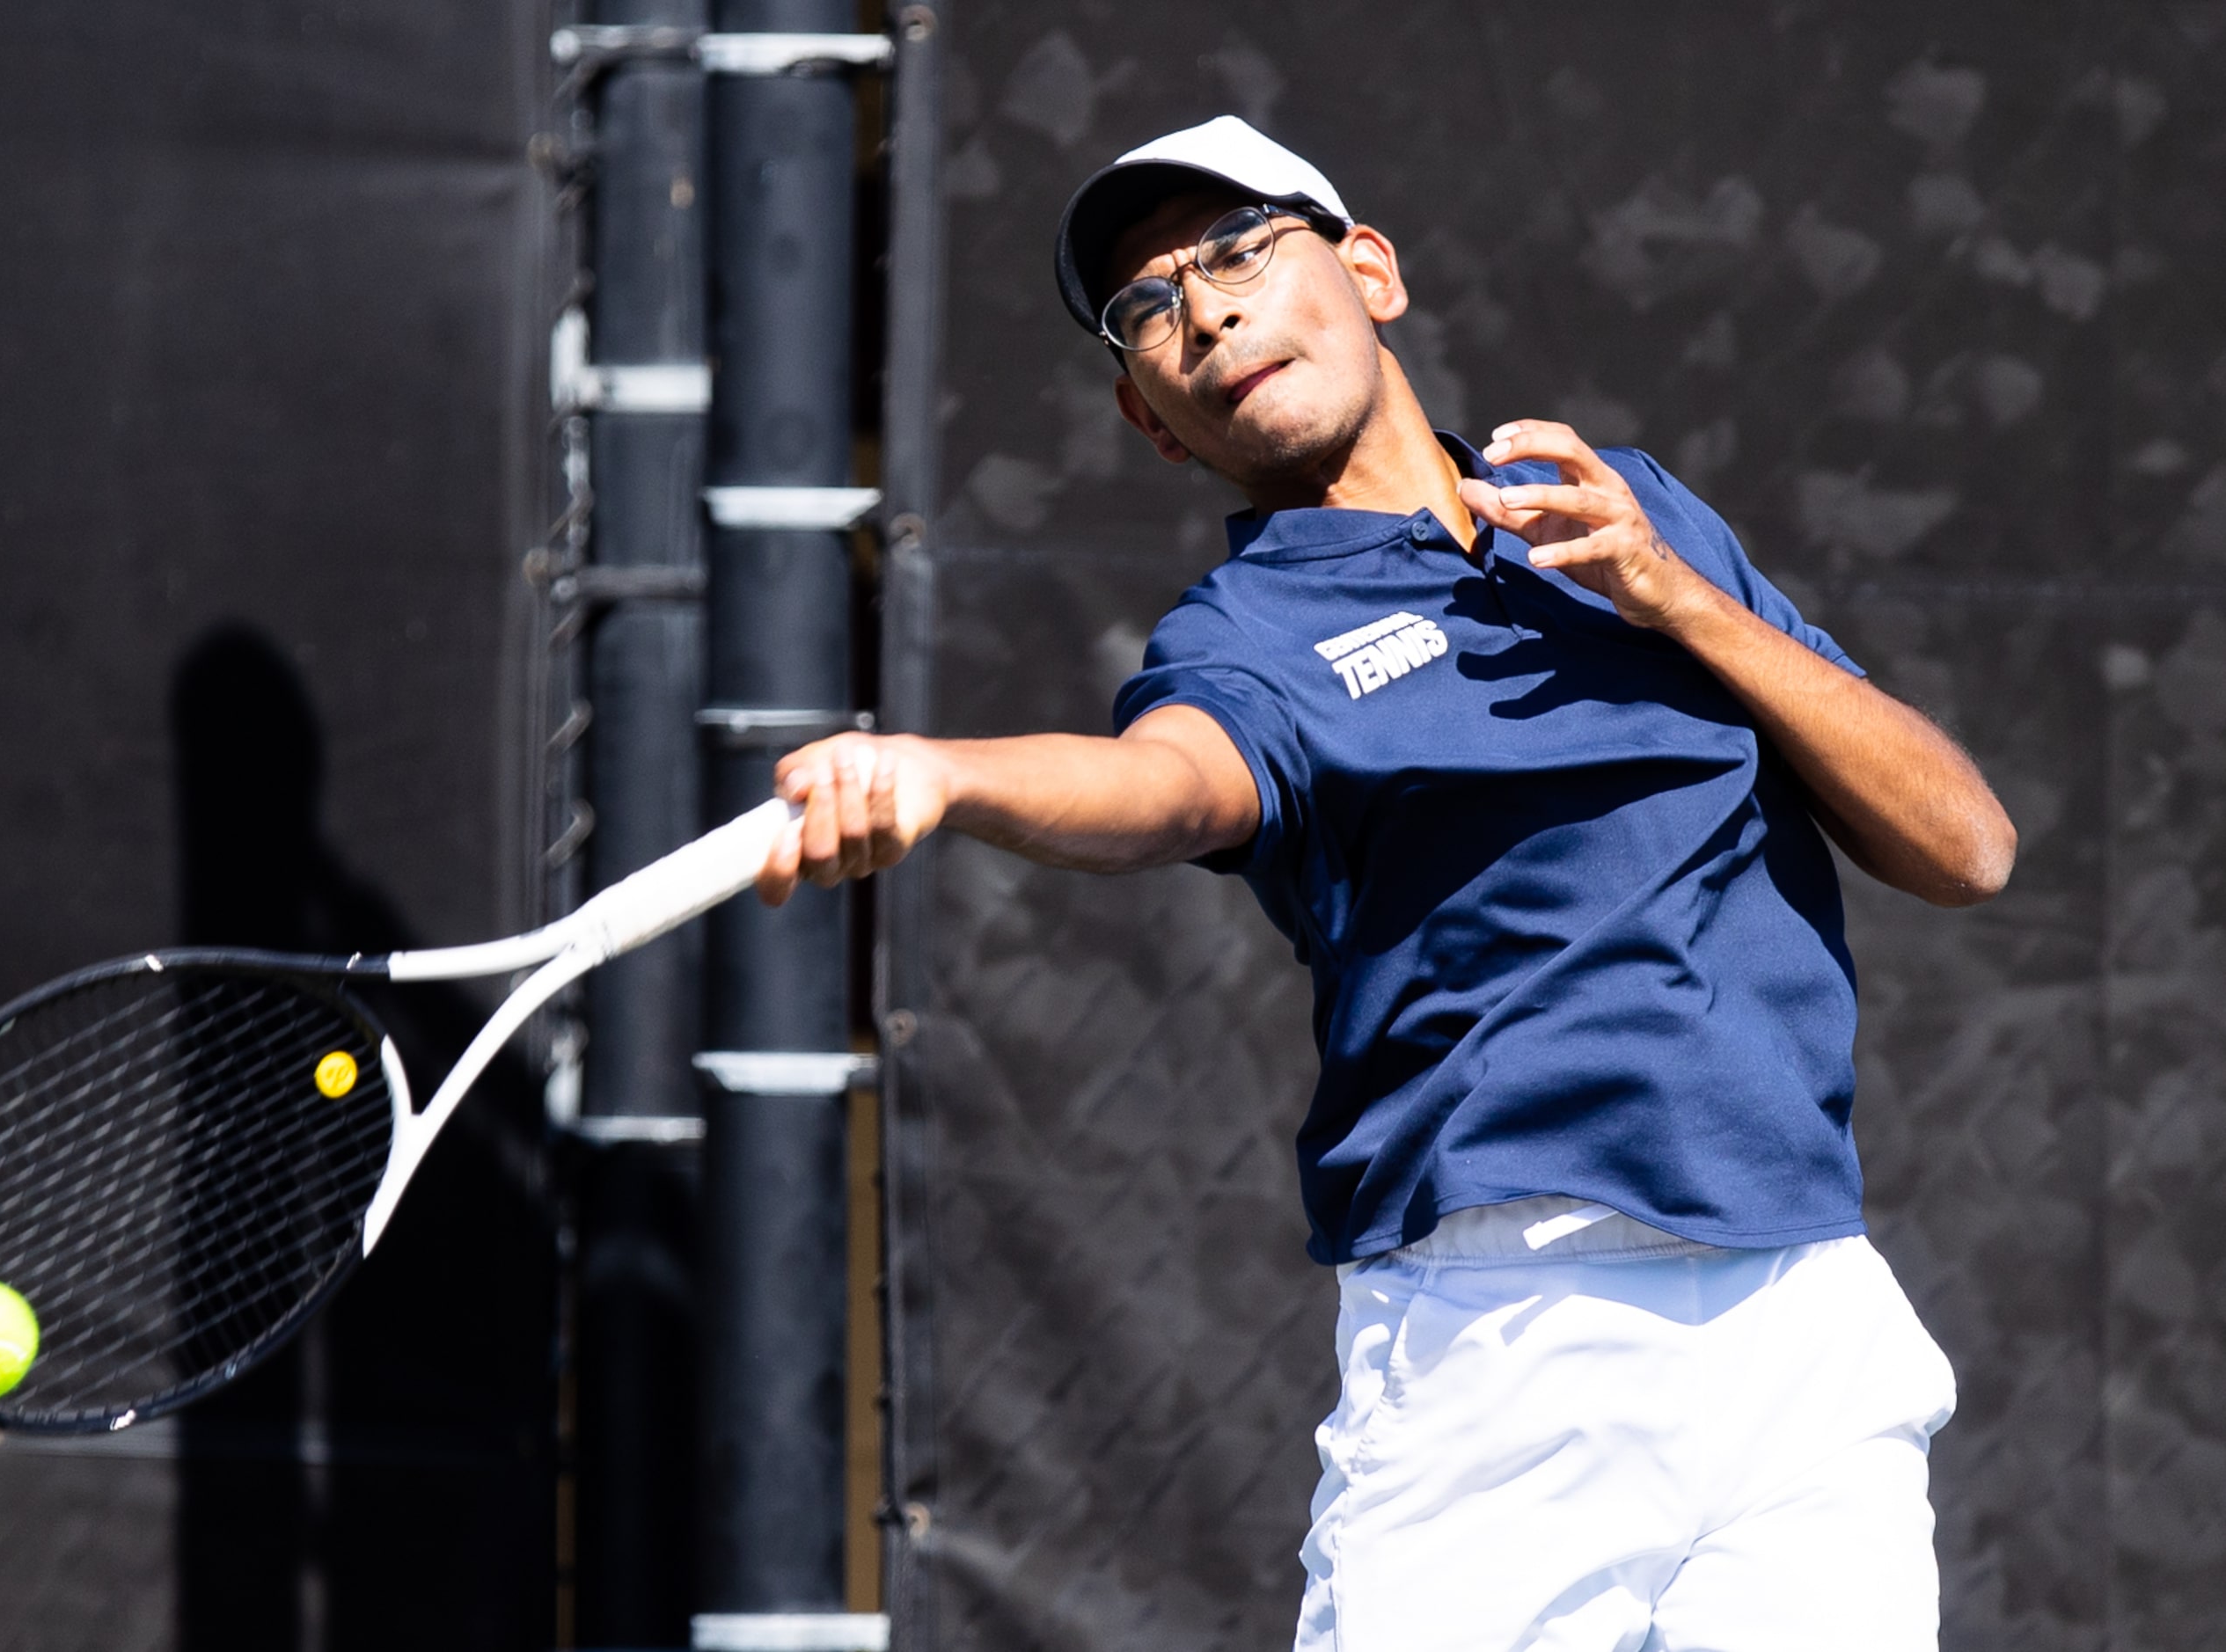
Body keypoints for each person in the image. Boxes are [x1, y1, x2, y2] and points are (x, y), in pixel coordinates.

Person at [754, 116, 2016, 1650]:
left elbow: (1966, 845)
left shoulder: (1630, 510)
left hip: (1804, 1325)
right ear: (1151, 417)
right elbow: (1166, 785)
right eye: (1148, 307)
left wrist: (1675, 598)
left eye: (1236, 251)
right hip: (1509, 1349)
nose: (1204, 310)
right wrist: (950, 776)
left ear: (1371, 272)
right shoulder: (1244, 642)